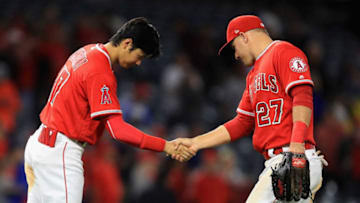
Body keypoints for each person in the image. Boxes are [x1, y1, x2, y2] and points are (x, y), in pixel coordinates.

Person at [24, 17, 194, 203]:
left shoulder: (87, 50)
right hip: (59, 152)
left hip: (39, 144)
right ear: (127, 43)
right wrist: (165, 146)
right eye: (139, 56)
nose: (138, 63)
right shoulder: (100, 70)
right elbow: (118, 130)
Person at [173, 15, 327, 202]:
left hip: (291, 156)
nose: (236, 54)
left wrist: (297, 146)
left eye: (234, 46)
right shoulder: (253, 75)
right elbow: (242, 123)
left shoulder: (283, 51)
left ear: (244, 36)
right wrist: (196, 142)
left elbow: (303, 96)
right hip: (280, 160)